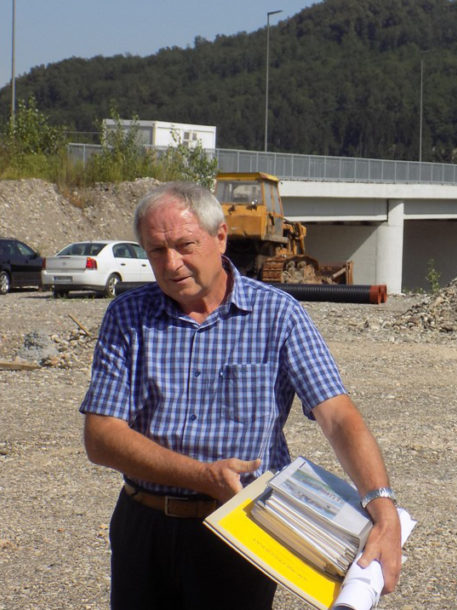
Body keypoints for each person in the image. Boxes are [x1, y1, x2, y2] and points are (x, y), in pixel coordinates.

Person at [80, 181, 402, 609]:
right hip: (145, 526)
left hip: (243, 528)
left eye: (185, 246)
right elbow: (101, 437)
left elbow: (337, 415)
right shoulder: (127, 316)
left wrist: (382, 506)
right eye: (157, 251)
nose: (172, 264)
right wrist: (202, 476)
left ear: (220, 237)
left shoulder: (278, 314)